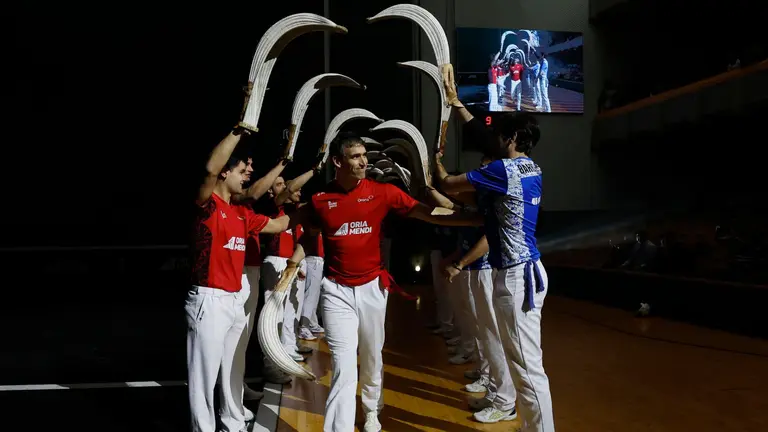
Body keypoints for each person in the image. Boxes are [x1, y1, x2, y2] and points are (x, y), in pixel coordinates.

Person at [287, 132, 482, 432]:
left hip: (372, 288)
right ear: (338, 161)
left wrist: (470, 220)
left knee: (372, 354)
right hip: (336, 291)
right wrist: (291, 262)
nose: (363, 161)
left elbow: (429, 213)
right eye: (355, 156)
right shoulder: (321, 200)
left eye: (364, 155)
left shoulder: (383, 193)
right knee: (342, 365)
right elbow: (302, 231)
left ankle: (371, 410)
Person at [438, 64, 554, 432]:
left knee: (526, 366)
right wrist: (456, 104)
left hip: (518, 276)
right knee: (522, 363)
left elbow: (445, 182)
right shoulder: (529, 167)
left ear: (513, 137)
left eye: (501, 134)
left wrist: (426, 159)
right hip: (521, 272)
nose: (495, 140)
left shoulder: (504, 172)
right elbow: (485, 138)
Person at [187, 126, 292, 432]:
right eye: (241, 169)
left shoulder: (242, 215)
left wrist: (315, 211)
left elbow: (279, 223)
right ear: (224, 173)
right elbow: (209, 167)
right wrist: (239, 129)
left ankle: (231, 421)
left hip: (234, 300)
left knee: (233, 364)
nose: (247, 173)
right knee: (202, 380)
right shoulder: (207, 206)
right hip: (208, 299)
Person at [236, 156, 293, 396]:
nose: (250, 170)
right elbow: (284, 193)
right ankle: (233, 389)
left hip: (253, 268)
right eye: (244, 168)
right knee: (240, 334)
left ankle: (236, 386)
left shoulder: (252, 208)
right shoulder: (241, 202)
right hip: (240, 273)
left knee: (244, 334)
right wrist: (285, 161)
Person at [297, 231, 325, 340]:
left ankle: (312, 324)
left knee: (314, 295)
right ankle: (303, 327)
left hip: (315, 260)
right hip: (313, 259)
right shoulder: (312, 225)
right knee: (310, 295)